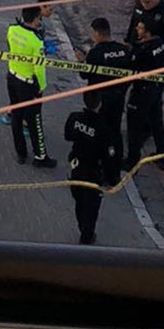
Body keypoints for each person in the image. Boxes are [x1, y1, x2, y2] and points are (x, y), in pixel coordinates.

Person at [76, 17, 132, 175]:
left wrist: (81, 61)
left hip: (99, 100)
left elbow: (84, 75)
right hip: (118, 98)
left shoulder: (96, 53)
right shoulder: (123, 50)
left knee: (98, 132)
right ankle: (115, 164)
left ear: (96, 33)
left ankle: (99, 164)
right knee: (115, 131)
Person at [6, 6, 57, 168]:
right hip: (28, 85)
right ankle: (40, 157)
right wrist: (40, 88)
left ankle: (21, 153)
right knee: (34, 121)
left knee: (16, 116)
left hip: (12, 77)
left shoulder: (12, 30)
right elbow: (39, 69)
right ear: (36, 19)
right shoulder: (36, 41)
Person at [65, 92, 114, 245]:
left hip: (77, 168)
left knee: (79, 203)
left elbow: (68, 136)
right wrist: (110, 180)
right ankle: (86, 237)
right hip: (93, 174)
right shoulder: (104, 129)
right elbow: (109, 158)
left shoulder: (74, 118)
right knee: (91, 209)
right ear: (100, 104)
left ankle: (82, 228)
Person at [124, 18, 164, 172]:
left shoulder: (144, 50)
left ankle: (132, 162)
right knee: (157, 123)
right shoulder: (161, 44)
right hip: (157, 89)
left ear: (148, 32)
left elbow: (131, 65)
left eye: (141, 28)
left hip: (142, 92)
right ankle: (162, 156)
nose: (137, 29)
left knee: (135, 127)